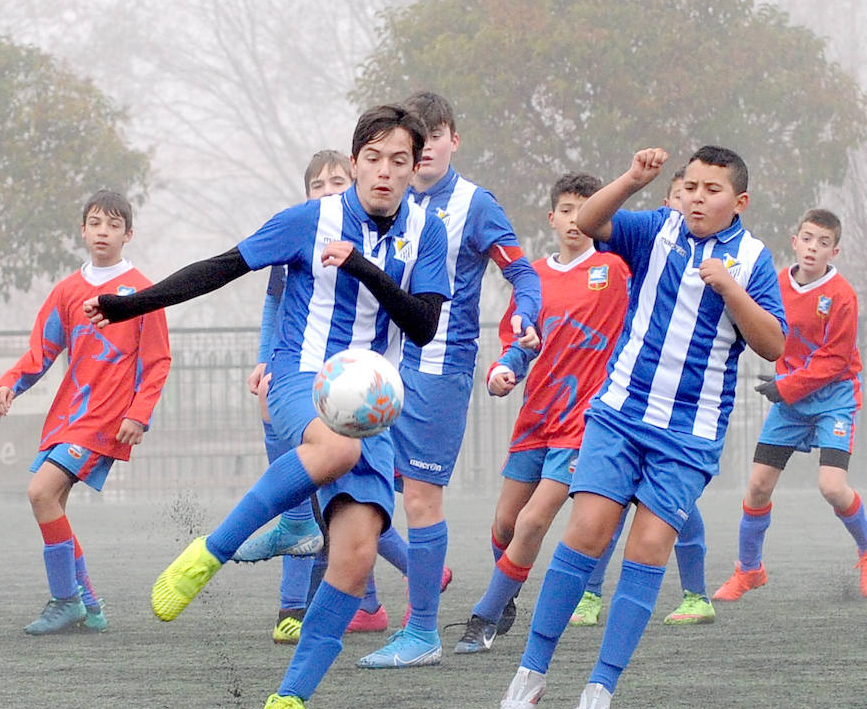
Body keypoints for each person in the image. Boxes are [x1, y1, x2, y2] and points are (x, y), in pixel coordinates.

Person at [84, 104, 452, 709]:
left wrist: (362, 267)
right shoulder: (311, 219)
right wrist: (130, 305)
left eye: (400, 161)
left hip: (372, 408)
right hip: (300, 379)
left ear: (415, 167)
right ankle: (210, 552)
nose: (385, 173)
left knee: (356, 556)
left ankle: (289, 700)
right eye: (373, 159)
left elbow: (423, 323)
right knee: (333, 452)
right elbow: (224, 265)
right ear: (357, 159)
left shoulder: (428, 231)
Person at [499, 145, 787, 709]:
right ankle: (532, 670)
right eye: (693, 187)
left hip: (690, 432)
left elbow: (775, 345)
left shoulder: (754, 259)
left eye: (713, 189)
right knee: (585, 531)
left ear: (741, 201)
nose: (699, 198)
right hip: (621, 414)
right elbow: (588, 220)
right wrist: (632, 177)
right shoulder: (657, 229)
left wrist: (732, 290)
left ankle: (601, 687)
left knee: (649, 548)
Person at [355, 91, 541, 670]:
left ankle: (421, 632)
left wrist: (525, 328)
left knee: (418, 496)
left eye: (437, 135)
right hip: (380, 364)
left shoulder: (475, 206)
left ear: (453, 140)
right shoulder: (384, 201)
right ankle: (389, 590)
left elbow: (523, 274)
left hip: (439, 370)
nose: (427, 147)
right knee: (346, 480)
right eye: (418, 139)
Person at [452, 171, 631, 653]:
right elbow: (517, 342)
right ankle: (505, 596)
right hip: (536, 417)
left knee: (533, 523)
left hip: (583, 422)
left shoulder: (616, 269)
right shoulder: (533, 276)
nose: (576, 220)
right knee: (504, 525)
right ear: (552, 217)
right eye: (567, 210)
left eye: (586, 209)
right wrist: (503, 371)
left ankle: (484, 618)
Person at [0, 190, 171, 635]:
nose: (103, 232)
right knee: (53, 504)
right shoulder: (68, 291)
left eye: (113, 225)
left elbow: (157, 360)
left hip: (106, 418)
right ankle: (88, 603)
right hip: (68, 416)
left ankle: (66, 600)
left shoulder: (144, 292)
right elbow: (43, 349)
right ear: (83, 230)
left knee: (40, 493)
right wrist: (9, 382)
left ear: (128, 234)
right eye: (95, 223)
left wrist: (139, 413)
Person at [712, 209, 867, 604]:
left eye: (823, 242)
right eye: (807, 238)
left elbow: (836, 358)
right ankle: (749, 570)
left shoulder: (842, 296)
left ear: (834, 251)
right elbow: (753, 320)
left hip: (833, 399)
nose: (813, 247)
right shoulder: (775, 284)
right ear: (795, 241)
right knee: (757, 485)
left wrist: (786, 385)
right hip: (791, 400)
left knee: (831, 486)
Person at [571, 165, 716, 628]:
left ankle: (696, 594)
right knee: (604, 507)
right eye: (677, 196)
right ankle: (589, 593)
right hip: (628, 397)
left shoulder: (718, 267)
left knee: (675, 513)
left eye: (695, 194)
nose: (684, 205)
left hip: (677, 417)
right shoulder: (645, 247)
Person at [234, 150, 352, 646]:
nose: (326, 190)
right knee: (302, 492)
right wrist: (267, 362)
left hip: (350, 387)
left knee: (349, 499)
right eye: (317, 184)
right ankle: (291, 608)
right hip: (301, 378)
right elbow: (273, 308)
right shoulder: (297, 239)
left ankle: (412, 576)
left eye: (336, 181)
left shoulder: (371, 241)